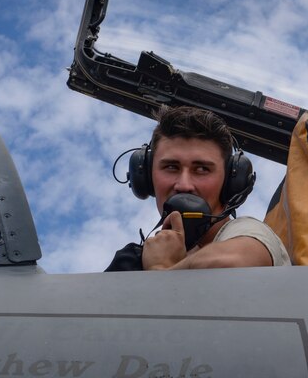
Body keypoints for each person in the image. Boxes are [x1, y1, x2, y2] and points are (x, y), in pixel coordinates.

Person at [106, 105, 290, 271]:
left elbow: (233, 263)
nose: (184, 185)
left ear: (231, 182)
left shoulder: (248, 231)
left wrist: (160, 268)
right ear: (146, 177)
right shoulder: (132, 261)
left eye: (202, 169)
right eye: (171, 167)